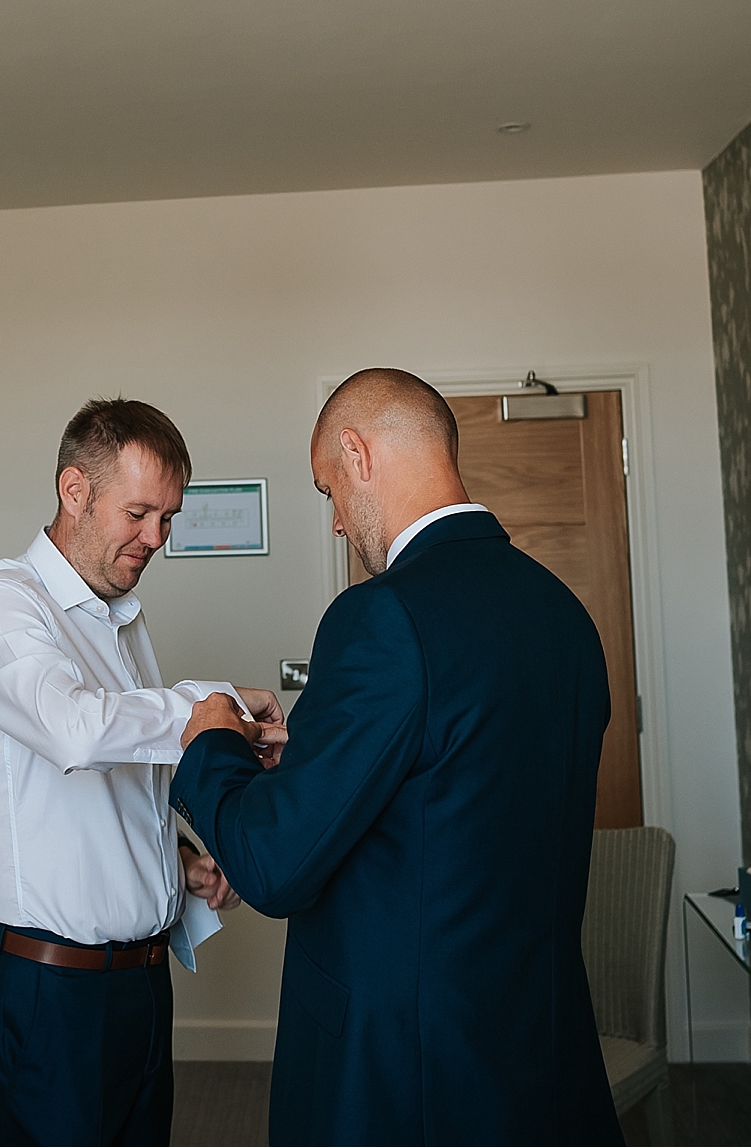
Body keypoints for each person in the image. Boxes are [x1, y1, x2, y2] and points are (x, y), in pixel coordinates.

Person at [169, 368, 621, 1145]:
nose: (339, 523)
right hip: (538, 1054)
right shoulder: (564, 614)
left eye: (327, 491)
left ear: (357, 453)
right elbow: (454, 791)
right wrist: (311, 764)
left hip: (405, 1076)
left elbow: (276, 865)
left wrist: (211, 740)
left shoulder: (381, 617)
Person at [0, 397, 286, 1146]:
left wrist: (184, 862)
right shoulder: (5, 604)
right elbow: (75, 731)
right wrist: (212, 708)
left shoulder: (122, 618)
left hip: (139, 984)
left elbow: (119, 784)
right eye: (139, 513)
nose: (156, 538)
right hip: (49, 992)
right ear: (76, 491)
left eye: (169, 518)